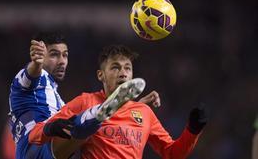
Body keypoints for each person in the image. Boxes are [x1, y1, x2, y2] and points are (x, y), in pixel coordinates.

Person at [29, 44, 208, 159]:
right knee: (75, 132)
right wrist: (50, 128)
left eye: (127, 68)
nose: (123, 73)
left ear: (132, 75)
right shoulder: (86, 101)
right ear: (101, 75)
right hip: (77, 131)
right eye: (115, 67)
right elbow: (35, 134)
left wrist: (192, 131)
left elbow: (172, 153)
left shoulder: (144, 112)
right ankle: (94, 118)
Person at [8, 32, 159, 159]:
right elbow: (30, 75)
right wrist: (36, 63)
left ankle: (106, 110)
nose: (62, 61)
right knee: (79, 123)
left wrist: (134, 108)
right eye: (54, 55)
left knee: (77, 130)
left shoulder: (56, 98)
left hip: (52, 148)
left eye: (65, 55)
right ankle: (97, 112)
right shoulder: (29, 80)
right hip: (35, 148)